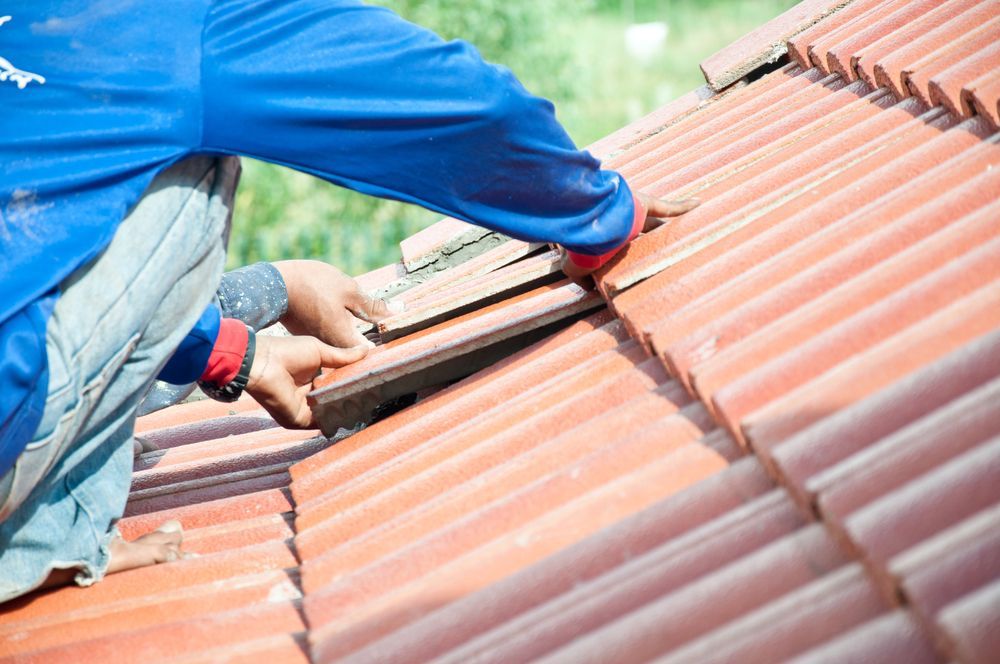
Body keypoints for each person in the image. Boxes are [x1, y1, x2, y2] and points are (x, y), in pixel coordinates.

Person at [0, 1, 696, 602]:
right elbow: (450, 101)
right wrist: (597, 215)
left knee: (87, 179)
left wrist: (232, 346)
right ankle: (40, 540)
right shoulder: (179, 22)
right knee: (186, 171)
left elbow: (35, 257)